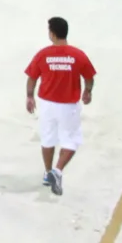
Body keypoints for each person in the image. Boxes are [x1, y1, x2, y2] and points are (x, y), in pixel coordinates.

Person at [23, 17, 97, 195]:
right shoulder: (78, 55)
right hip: (68, 106)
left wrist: (29, 96)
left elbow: (32, 77)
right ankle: (57, 171)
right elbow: (89, 77)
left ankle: (48, 173)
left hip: (47, 104)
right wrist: (87, 91)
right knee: (71, 140)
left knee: (48, 138)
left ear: (52, 34)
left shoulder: (43, 54)